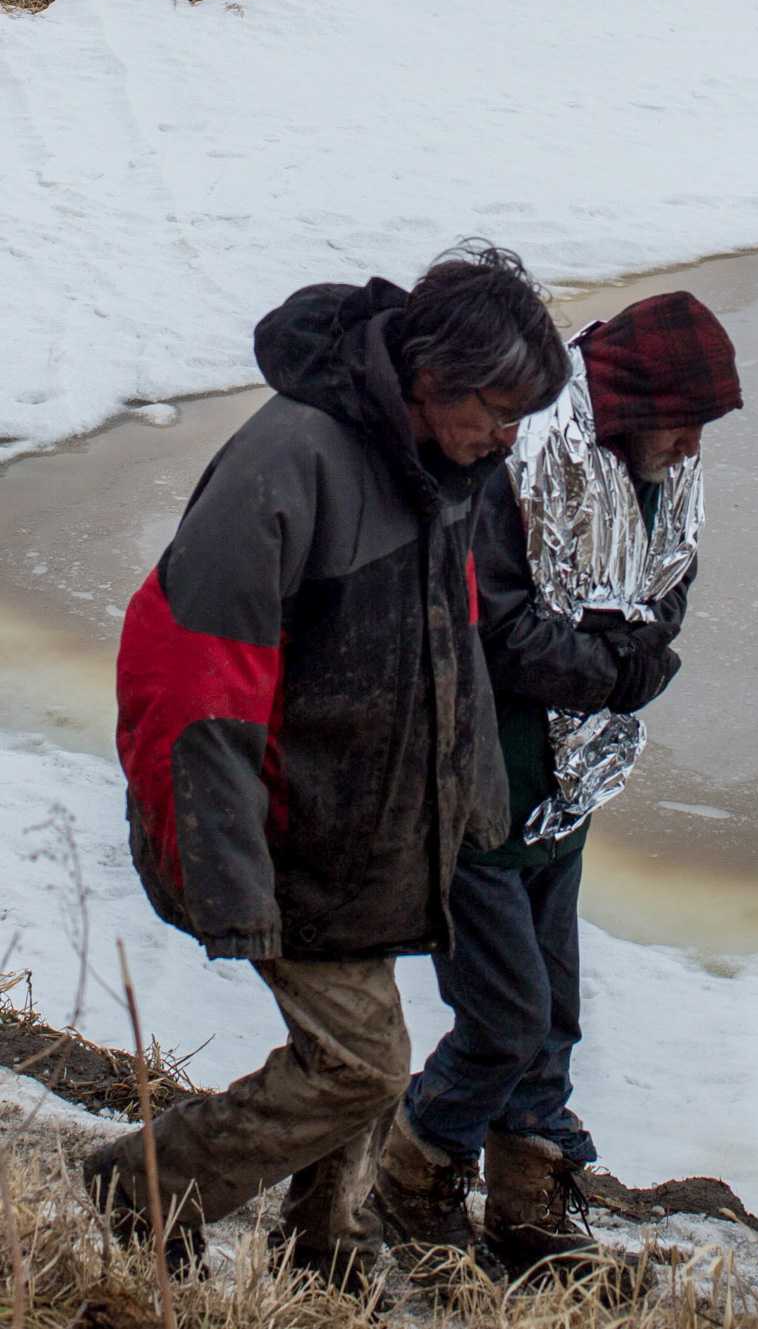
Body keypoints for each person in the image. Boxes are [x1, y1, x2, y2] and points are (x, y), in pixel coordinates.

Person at [83, 246, 571, 1292]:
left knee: (358, 1059)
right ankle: (142, 1186)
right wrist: (225, 875)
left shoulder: (441, 465)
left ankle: (323, 1246)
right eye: (497, 406)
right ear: (433, 376)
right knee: (363, 1064)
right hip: (278, 827)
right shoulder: (288, 462)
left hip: (372, 827)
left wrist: (473, 798)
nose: (508, 435)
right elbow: (189, 683)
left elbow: (455, 643)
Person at [374, 293, 743, 1282]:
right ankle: (412, 1170)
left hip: (563, 782)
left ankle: (525, 1198)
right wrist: (611, 668)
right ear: (634, 398)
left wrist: (640, 654)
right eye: (683, 416)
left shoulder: (656, 464)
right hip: (478, 781)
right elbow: (489, 623)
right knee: (504, 1015)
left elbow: (666, 579)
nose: (691, 439)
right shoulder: (523, 456)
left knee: (553, 1012)